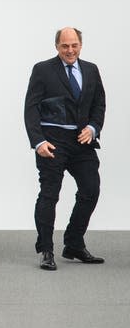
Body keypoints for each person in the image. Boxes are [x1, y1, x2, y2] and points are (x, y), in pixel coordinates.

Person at [24, 27, 106, 271]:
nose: (70, 51)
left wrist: (93, 127)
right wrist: (38, 141)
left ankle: (73, 243)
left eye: (74, 46)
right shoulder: (42, 70)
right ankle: (46, 249)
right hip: (52, 141)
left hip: (82, 141)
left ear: (80, 45)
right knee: (50, 194)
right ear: (57, 46)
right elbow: (31, 108)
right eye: (65, 46)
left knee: (91, 189)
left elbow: (99, 104)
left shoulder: (91, 70)